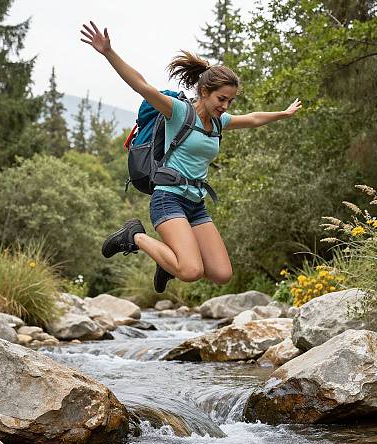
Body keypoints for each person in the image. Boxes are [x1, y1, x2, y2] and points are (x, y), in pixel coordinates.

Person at [80, 21, 302, 293]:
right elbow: (141, 86)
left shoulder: (221, 122)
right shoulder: (178, 112)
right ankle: (133, 236)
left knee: (221, 274)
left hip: (195, 203)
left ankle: (167, 262)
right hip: (168, 198)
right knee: (191, 271)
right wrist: (109, 53)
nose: (225, 106)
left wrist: (283, 114)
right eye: (221, 99)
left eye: (230, 101)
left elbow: (254, 118)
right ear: (204, 92)